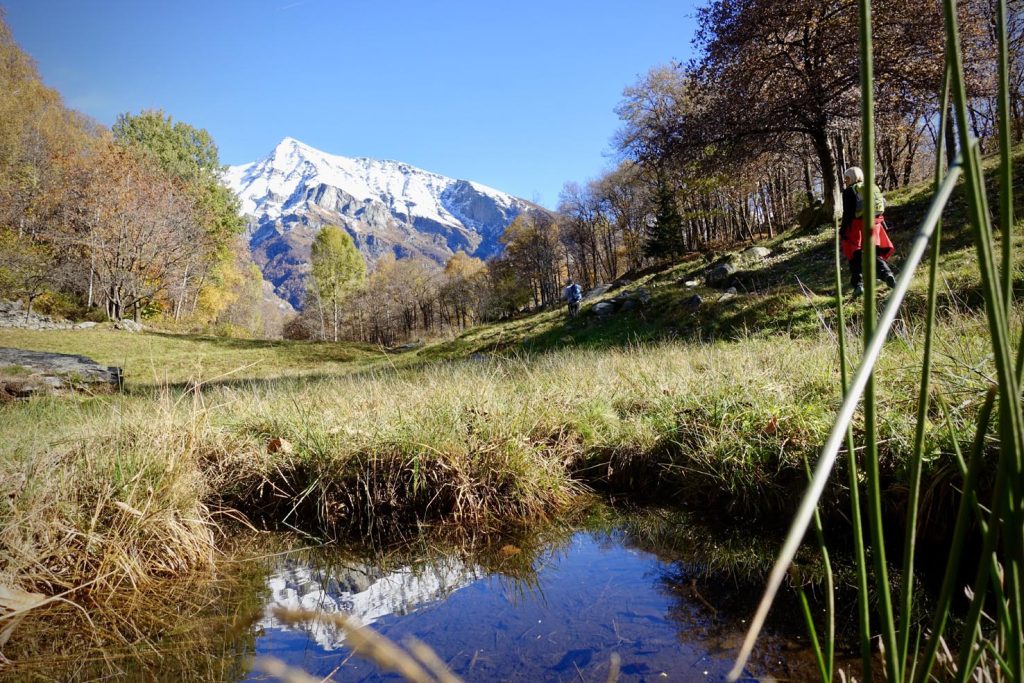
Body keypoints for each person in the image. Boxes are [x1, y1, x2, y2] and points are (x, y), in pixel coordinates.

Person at [840, 166, 897, 298]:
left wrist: (843, 231)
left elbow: (847, 213)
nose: (845, 181)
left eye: (846, 178)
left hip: (856, 226)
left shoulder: (849, 192)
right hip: (874, 224)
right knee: (874, 253)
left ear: (851, 178)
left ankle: (858, 285)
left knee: (855, 255)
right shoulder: (872, 187)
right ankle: (887, 274)